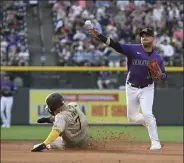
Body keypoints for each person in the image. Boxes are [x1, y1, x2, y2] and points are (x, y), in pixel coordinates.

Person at [87, 26, 167, 150]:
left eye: (147, 35)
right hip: (131, 87)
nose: (144, 37)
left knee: (147, 113)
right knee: (132, 117)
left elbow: (164, 75)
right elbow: (115, 45)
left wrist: (160, 75)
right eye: (142, 35)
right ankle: (149, 123)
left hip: (147, 87)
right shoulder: (133, 49)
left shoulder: (158, 57)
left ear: (153, 38)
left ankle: (155, 143)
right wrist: (99, 36)